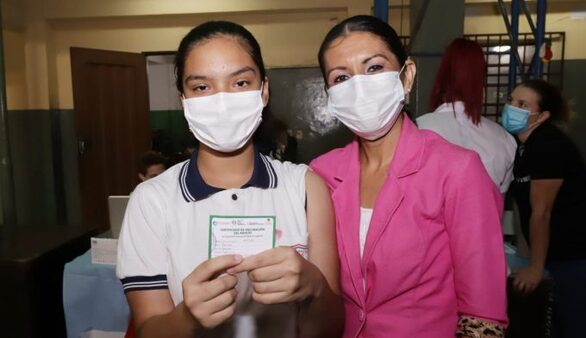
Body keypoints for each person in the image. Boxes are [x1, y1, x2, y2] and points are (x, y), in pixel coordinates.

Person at [117, 21, 343, 338]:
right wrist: (187, 318)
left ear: (263, 91)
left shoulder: (305, 187)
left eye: (239, 83)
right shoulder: (151, 200)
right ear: (183, 100)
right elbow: (147, 329)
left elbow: (330, 329)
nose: (222, 101)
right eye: (201, 87)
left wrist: (314, 286)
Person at [310, 15, 508, 337]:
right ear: (329, 94)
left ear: (407, 75)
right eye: (341, 78)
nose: (359, 86)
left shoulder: (457, 171)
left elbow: (482, 315)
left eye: (374, 68)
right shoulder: (321, 174)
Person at [503, 79, 586, 338]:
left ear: (542, 115)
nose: (512, 107)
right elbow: (522, 205)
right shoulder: (523, 148)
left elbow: (541, 212)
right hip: (552, 256)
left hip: (575, 259)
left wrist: (535, 268)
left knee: (577, 326)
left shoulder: (549, 145)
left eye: (523, 104)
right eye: (511, 100)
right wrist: (526, 257)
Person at [417, 38, 517, 195]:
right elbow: (497, 206)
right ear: (481, 80)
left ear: (442, 75)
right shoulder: (504, 139)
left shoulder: (417, 129)